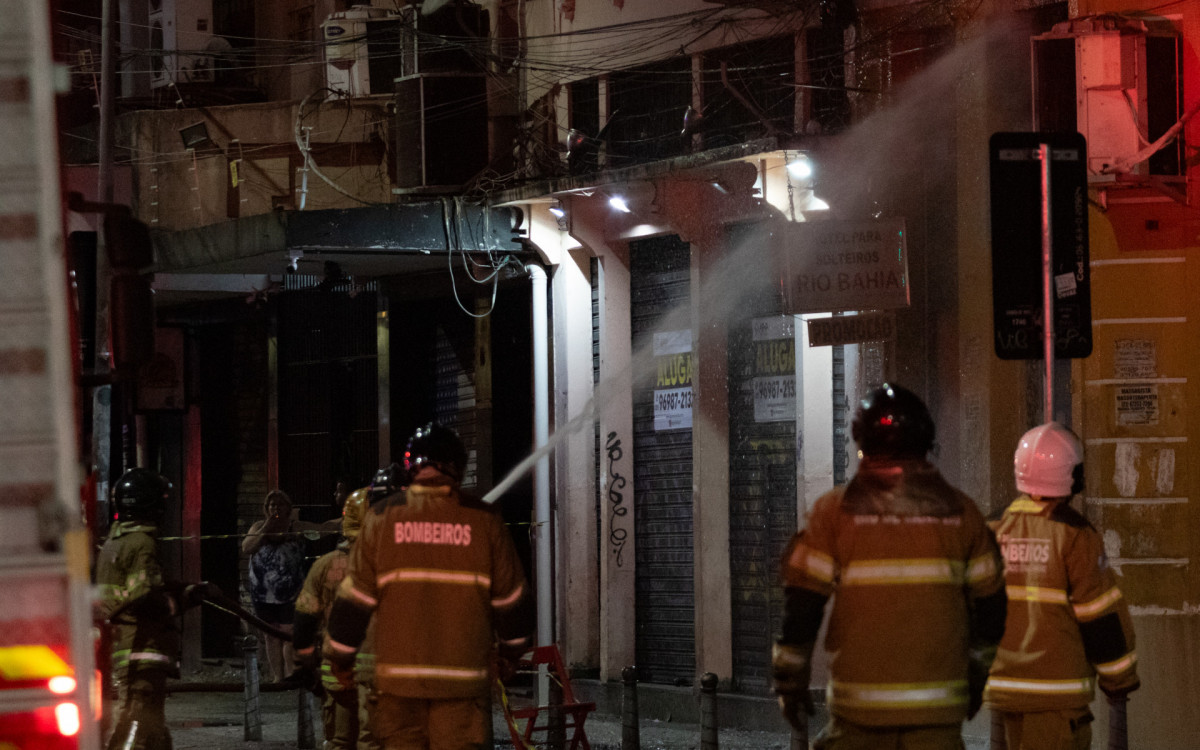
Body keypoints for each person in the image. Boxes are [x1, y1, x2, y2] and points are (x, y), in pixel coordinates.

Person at [772, 383, 1007, 749]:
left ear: (860, 441)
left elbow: (802, 605)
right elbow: (992, 610)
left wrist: (789, 683)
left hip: (858, 719)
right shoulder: (965, 514)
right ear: (926, 442)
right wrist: (976, 678)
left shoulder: (833, 512)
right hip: (938, 718)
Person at [324, 423, 533, 749]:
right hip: (462, 692)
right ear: (459, 466)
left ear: (410, 466)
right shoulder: (485, 520)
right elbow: (512, 600)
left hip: (397, 691)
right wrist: (511, 655)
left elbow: (354, 600)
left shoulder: (381, 518)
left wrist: (339, 659)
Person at [984, 422, 1140, 749]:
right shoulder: (1074, 535)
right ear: (1073, 475)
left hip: (1002, 694)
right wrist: (1119, 682)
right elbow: (1101, 617)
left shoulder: (994, 527)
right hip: (1055, 702)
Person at [95, 468, 187, 750]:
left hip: (124, 647)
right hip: (143, 647)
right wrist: (180, 601)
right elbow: (144, 596)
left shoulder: (114, 543)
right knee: (139, 726)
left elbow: (132, 586)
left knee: (151, 731)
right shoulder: (143, 542)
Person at [294, 484, 372, 749]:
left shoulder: (325, 565)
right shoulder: (397, 566)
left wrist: (305, 667)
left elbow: (304, 622)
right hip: (386, 680)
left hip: (339, 679)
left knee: (341, 741)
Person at [243, 489, 308, 683]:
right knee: (270, 635)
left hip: (290, 592)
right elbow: (247, 548)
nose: (275, 508)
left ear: (288, 508)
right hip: (263, 594)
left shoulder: (294, 527)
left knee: (288, 634)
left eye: (280, 504)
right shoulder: (258, 527)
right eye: (272, 505)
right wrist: (265, 529)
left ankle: (290, 676)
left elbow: (321, 529)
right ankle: (277, 678)